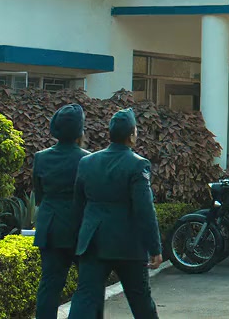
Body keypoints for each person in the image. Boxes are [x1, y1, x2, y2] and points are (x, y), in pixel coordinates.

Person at [68, 109, 162, 319]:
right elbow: (144, 209)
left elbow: (78, 205)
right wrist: (155, 248)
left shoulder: (87, 162)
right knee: (140, 300)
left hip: (93, 241)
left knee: (85, 297)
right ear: (131, 136)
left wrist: (77, 241)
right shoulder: (138, 164)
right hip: (127, 244)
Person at [32, 104, 91, 319]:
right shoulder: (88, 159)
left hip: (50, 228)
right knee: (88, 285)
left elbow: (39, 195)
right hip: (80, 229)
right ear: (79, 130)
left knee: (49, 286)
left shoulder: (41, 157)